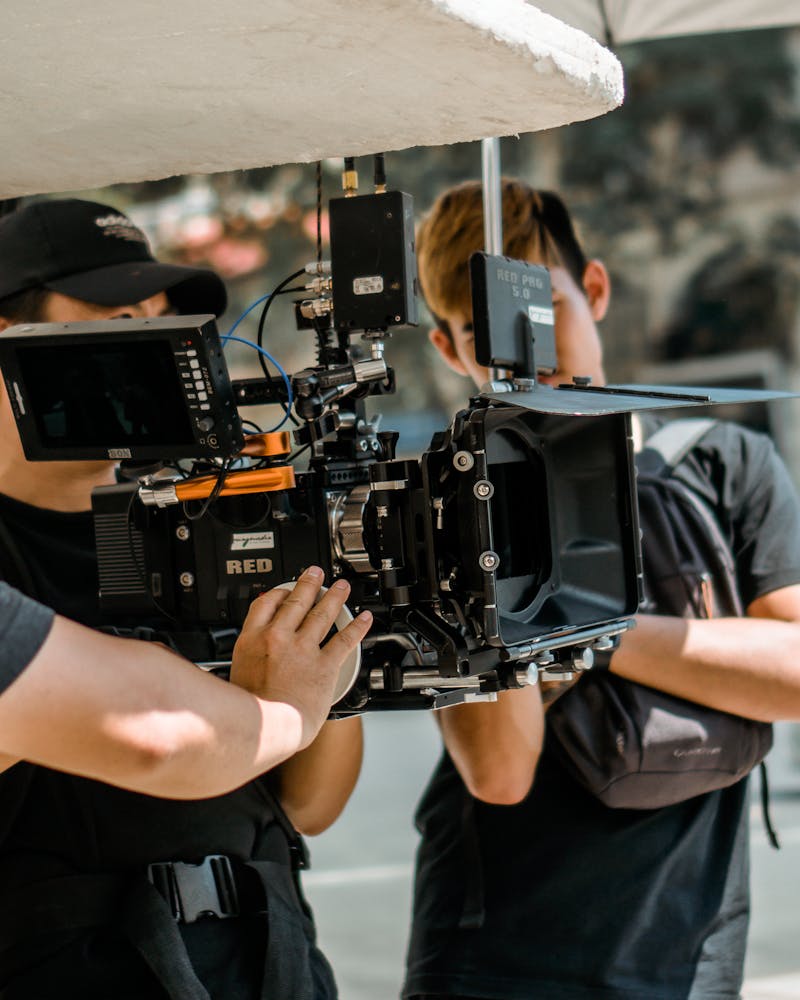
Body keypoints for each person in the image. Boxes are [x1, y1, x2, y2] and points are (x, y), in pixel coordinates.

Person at [403, 179, 800, 1000]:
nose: (529, 346)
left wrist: (586, 627)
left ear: (594, 290)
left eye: (544, 308)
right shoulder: (448, 503)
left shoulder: (718, 465)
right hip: (497, 960)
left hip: (690, 950)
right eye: (489, 330)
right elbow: (499, 772)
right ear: (448, 348)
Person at [0, 198, 367, 1000]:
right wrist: (276, 712)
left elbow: (308, 804)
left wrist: (323, 668)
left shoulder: (210, 516)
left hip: (271, 963)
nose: (163, 348)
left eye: (169, 320)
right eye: (122, 316)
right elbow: (150, 736)